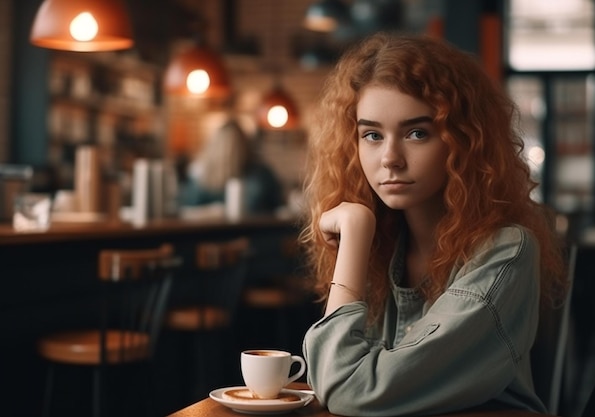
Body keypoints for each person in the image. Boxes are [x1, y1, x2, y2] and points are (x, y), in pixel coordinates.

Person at [299, 32, 568, 416]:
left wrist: (355, 232)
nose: (390, 158)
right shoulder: (388, 243)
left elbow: (345, 388)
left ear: (462, 141)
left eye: (417, 133)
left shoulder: (506, 251)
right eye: (372, 135)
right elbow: (329, 380)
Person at [179, 118, 283, 215]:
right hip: (255, 232)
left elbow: (187, 207)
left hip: (209, 233)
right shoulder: (260, 175)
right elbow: (278, 205)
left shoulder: (259, 175)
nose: (230, 151)